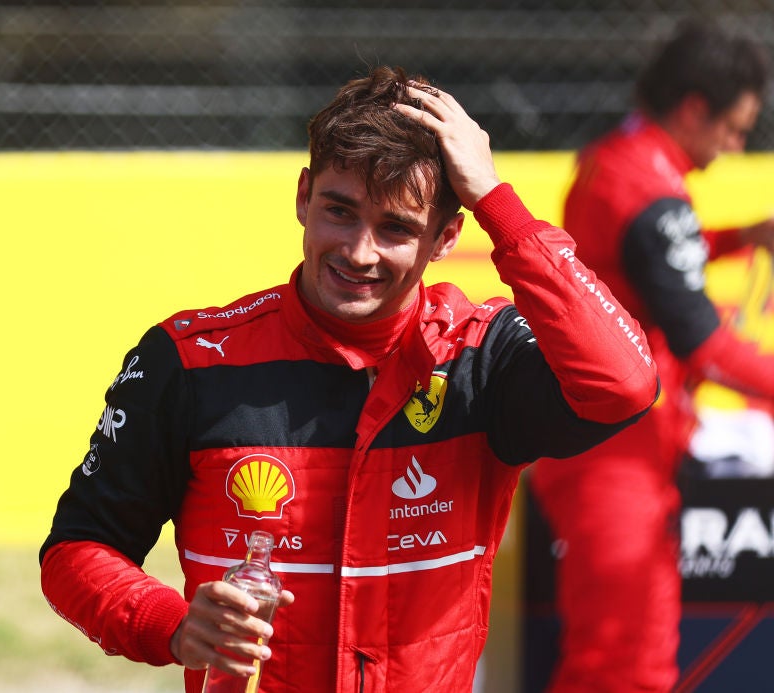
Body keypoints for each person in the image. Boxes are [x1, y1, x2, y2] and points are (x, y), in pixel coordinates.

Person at [40, 65, 658, 692]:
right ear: (304, 197)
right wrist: (170, 623)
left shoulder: (480, 355)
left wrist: (498, 203)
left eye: (396, 228)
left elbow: (624, 384)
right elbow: (77, 550)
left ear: (446, 236)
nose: (359, 252)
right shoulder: (190, 360)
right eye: (340, 211)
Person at [529, 19, 774, 693]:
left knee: (640, 658)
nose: (736, 145)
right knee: (620, 664)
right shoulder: (648, 187)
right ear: (695, 108)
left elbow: (634, 267)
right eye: (736, 127)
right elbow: (706, 343)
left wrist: (737, 236)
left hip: (616, 442)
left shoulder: (623, 158)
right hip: (611, 451)